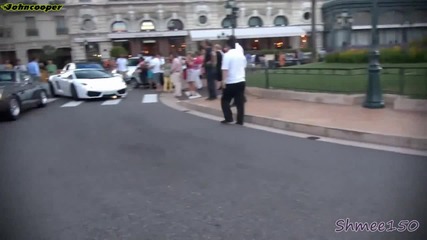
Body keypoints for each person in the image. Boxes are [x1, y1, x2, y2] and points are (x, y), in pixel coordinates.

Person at [220, 36, 247, 125]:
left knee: (225, 100)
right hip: (241, 80)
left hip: (231, 81)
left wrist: (223, 81)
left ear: (228, 45)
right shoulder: (240, 54)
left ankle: (229, 118)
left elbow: (225, 69)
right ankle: (240, 120)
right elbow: (244, 66)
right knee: (240, 102)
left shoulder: (227, 55)